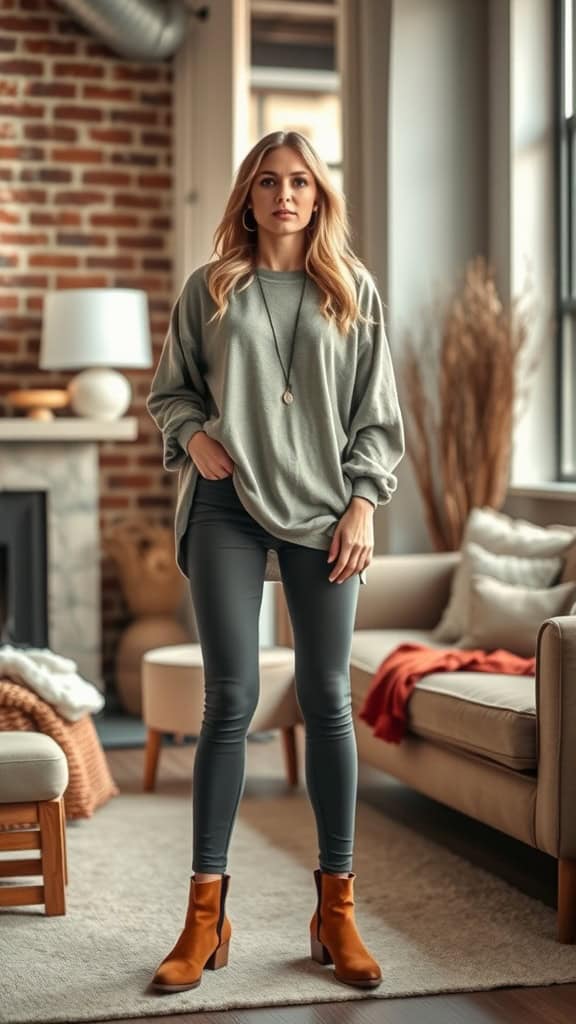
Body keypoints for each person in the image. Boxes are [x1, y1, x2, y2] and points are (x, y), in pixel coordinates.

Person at [145, 130, 405, 994]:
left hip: (327, 511)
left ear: (318, 195)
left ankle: (336, 914)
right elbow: (169, 390)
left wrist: (365, 503)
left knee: (328, 697)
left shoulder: (352, 290)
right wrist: (197, 437)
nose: (284, 194)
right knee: (233, 700)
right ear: (248, 198)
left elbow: (376, 420)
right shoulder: (211, 288)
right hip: (226, 505)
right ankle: (205, 917)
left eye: (299, 181)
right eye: (268, 182)